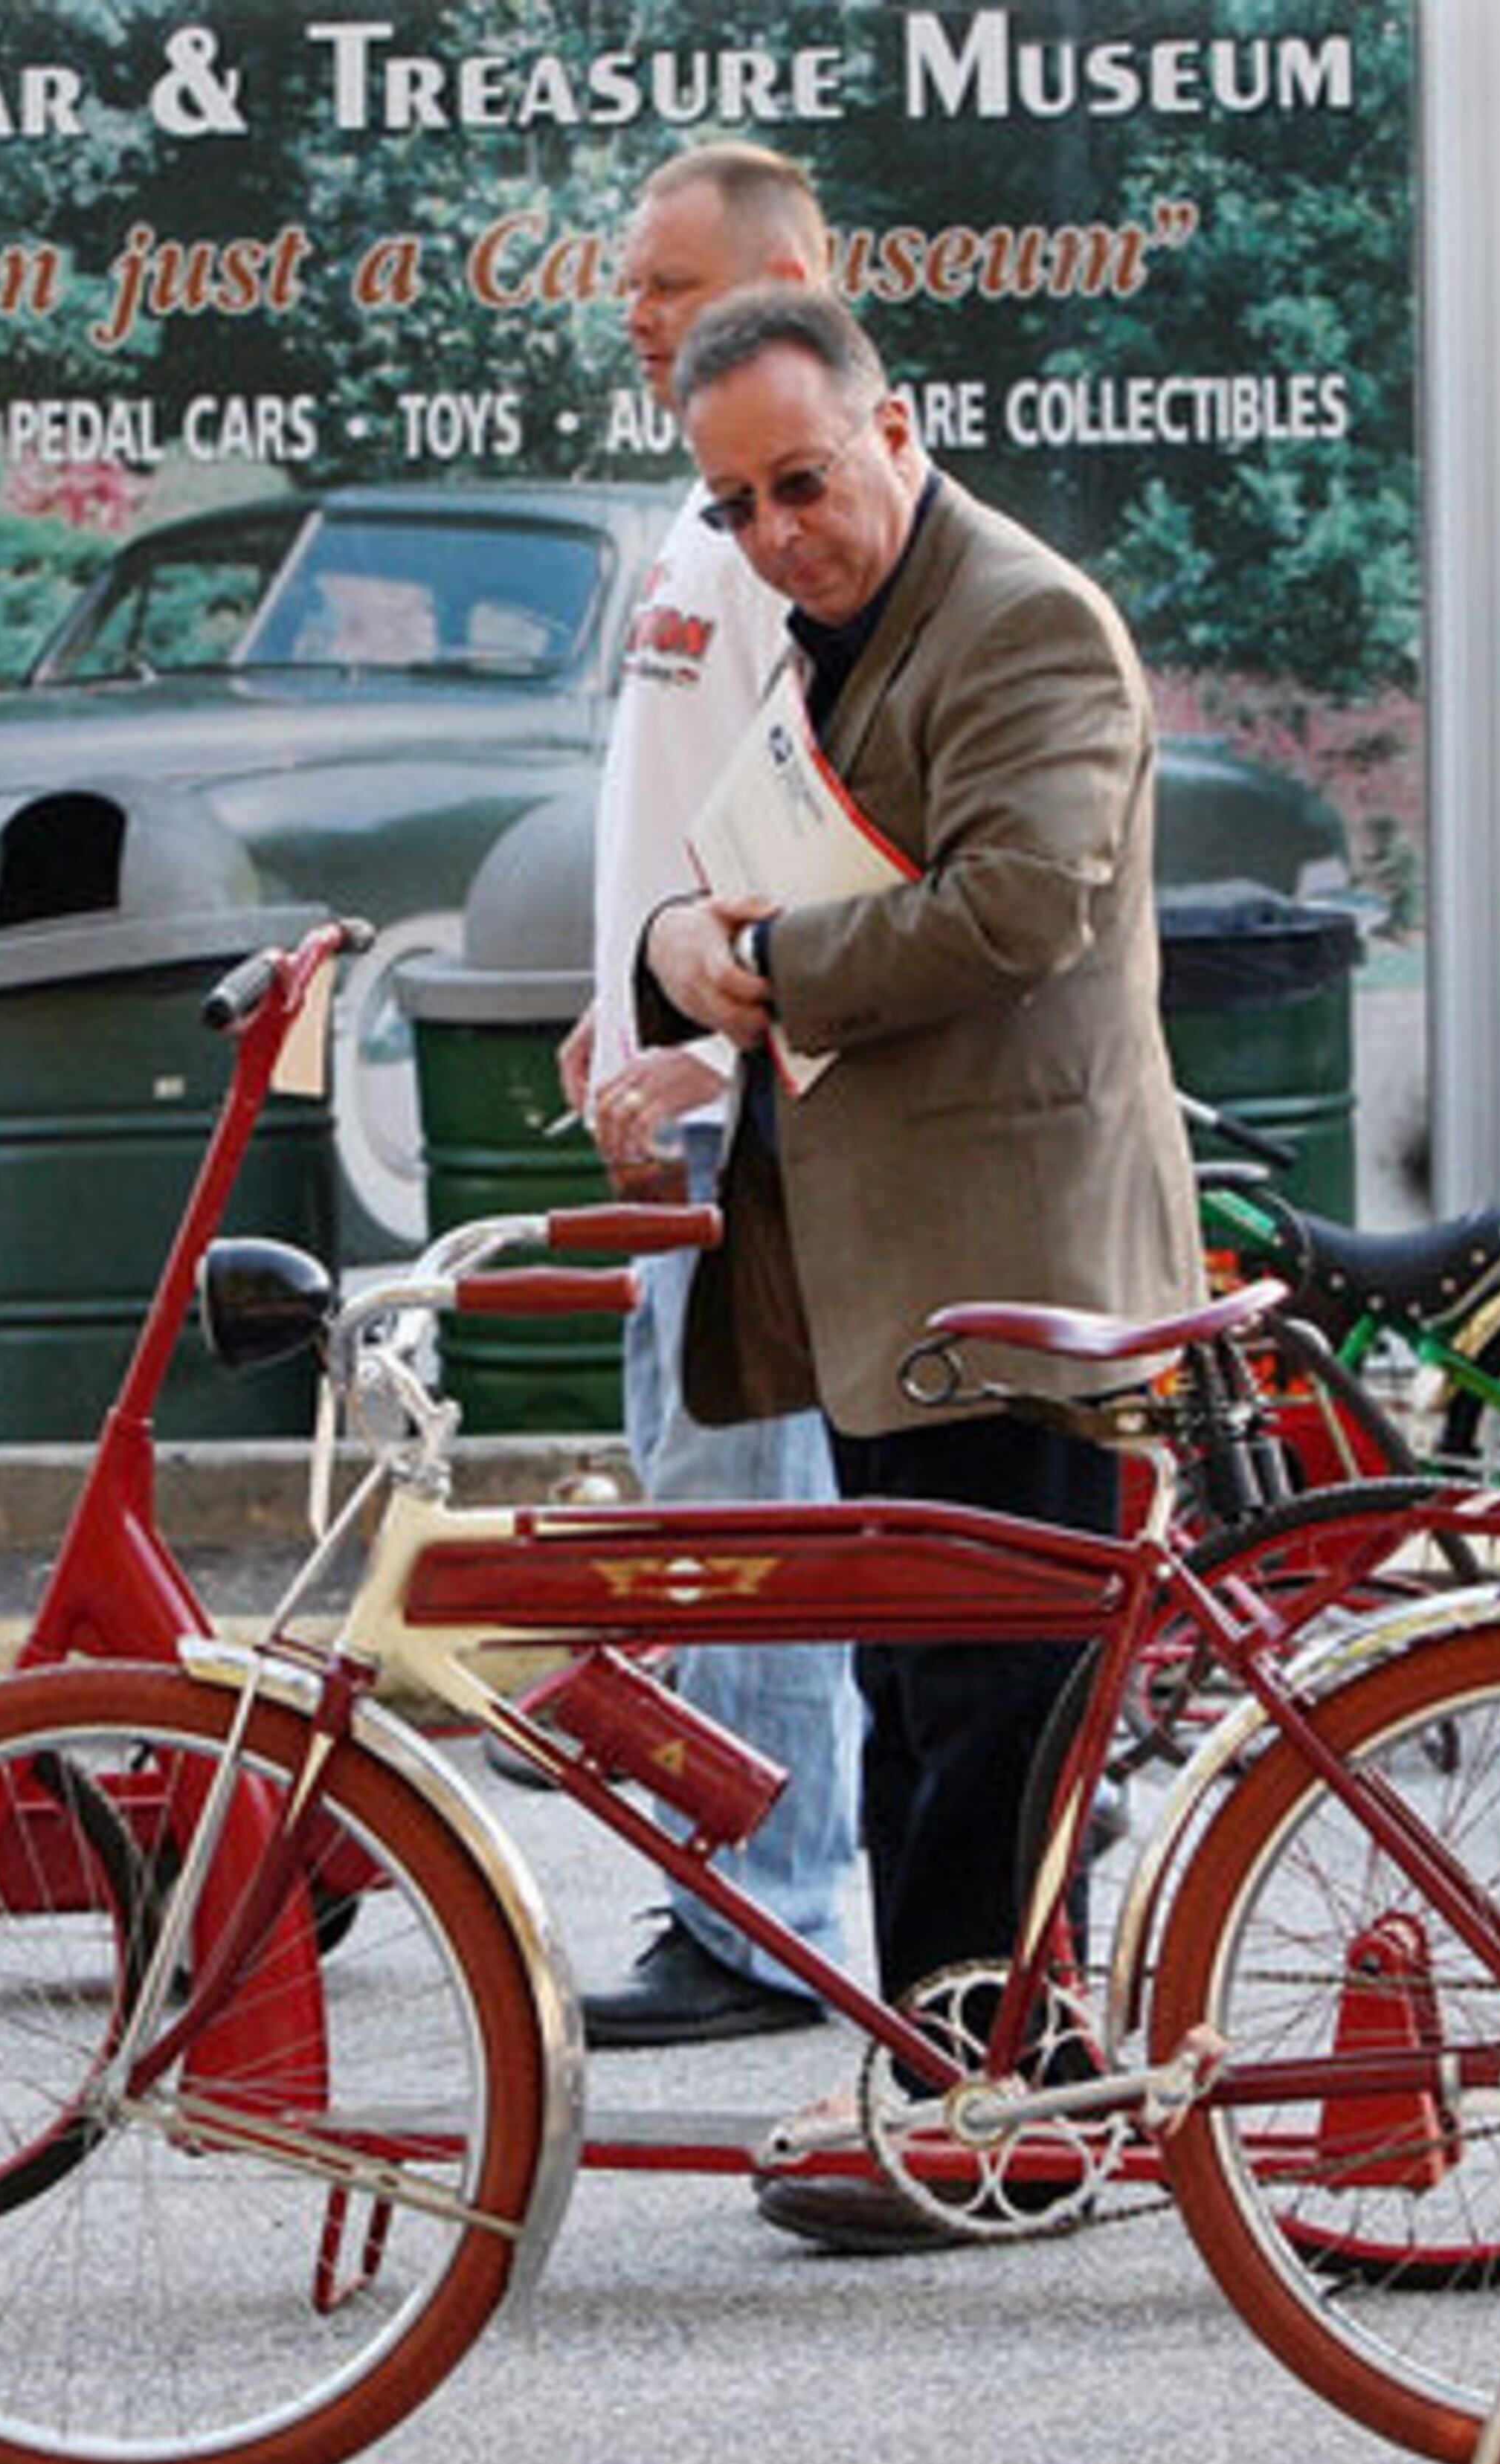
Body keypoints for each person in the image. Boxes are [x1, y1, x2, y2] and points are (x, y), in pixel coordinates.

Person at [637, 283, 1203, 2248]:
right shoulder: (850, 624)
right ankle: (970, 2071)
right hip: (916, 1278)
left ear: (897, 428)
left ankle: (990, 2104)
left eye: (802, 479)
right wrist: (686, 962)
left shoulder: (1022, 613)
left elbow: (1024, 904)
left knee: (993, 1700)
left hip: (1021, 1272)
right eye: (735, 503)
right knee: (923, 1693)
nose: (777, 528)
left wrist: (764, 967)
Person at [561, 145, 865, 2047]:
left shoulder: (803, 525)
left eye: (670, 283)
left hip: (749, 1110)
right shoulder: (707, 521)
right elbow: (685, 800)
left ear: (788, 275)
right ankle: (747, 1892)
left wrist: (711, 1042)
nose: (641, 316)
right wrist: (610, 1011)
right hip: (674, 1091)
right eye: (635, 293)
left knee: (752, 1518)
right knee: (709, 1511)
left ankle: (766, 1916)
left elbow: (824, 832)